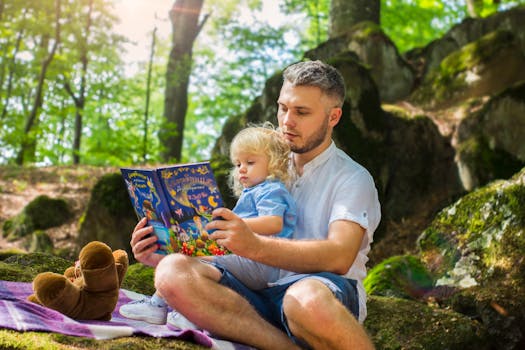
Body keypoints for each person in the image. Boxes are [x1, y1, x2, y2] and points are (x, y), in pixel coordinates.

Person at [130, 60, 380, 349]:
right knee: (172, 271)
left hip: (320, 294)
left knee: (305, 299)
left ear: (333, 117)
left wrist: (253, 245)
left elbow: (339, 256)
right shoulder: (264, 164)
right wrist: (161, 249)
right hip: (253, 294)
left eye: (301, 112)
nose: (287, 121)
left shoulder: (352, 178)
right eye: (283, 107)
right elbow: (233, 247)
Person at [120, 124, 297, 326]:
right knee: (187, 258)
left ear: (274, 163)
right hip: (248, 259)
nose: (242, 169)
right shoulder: (255, 191)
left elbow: (274, 223)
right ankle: (175, 309)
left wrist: (234, 224)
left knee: (193, 260)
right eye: (238, 164)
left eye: (250, 162)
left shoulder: (272, 189)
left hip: (261, 263)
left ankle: (166, 307)